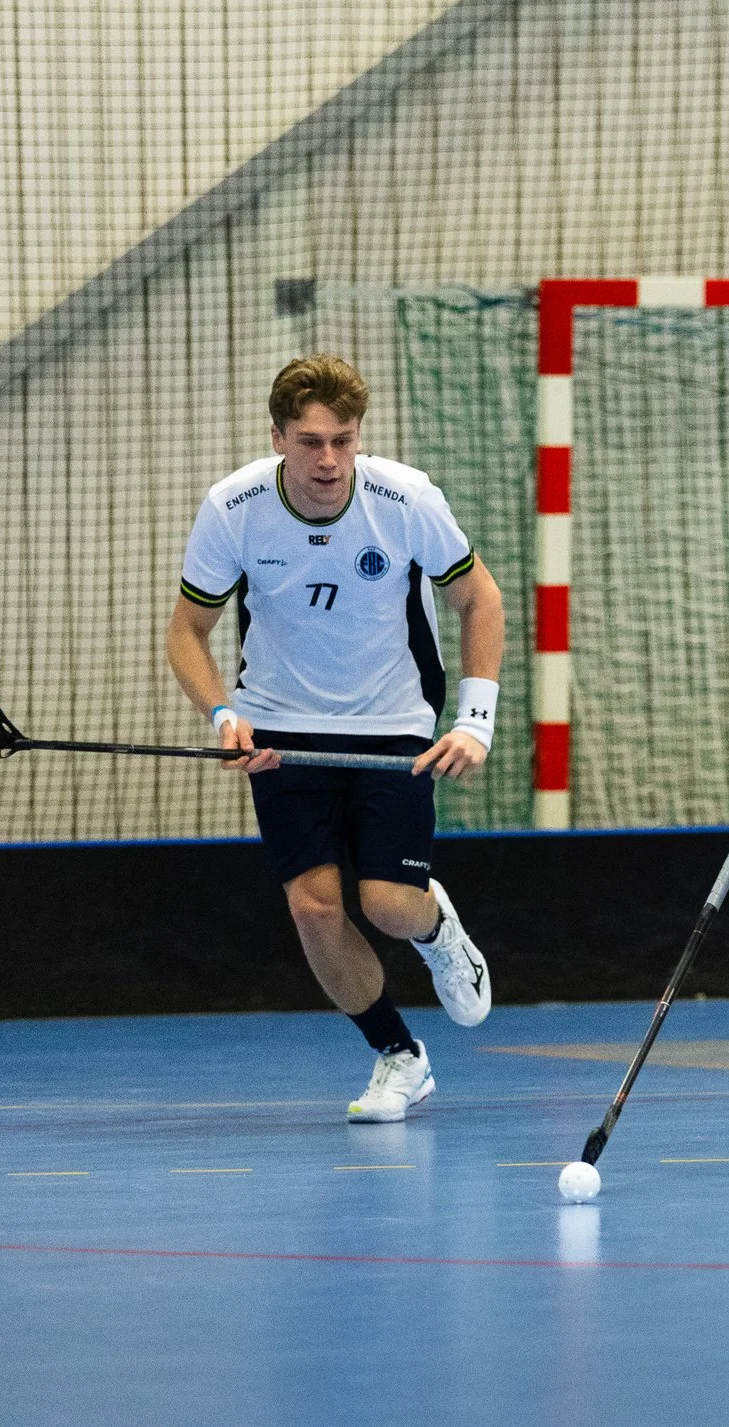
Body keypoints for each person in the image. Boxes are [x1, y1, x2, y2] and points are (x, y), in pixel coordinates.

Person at [166, 354, 507, 1123]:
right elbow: (188, 630)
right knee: (316, 908)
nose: (328, 460)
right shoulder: (234, 507)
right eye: (311, 440)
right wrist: (222, 714)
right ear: (279, 436)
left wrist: (474, 720)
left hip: (392, 720)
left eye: (343, 441)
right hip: (279, 724)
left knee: (387, 904)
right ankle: (398, 1054)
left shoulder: (405, 498)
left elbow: (478, 598)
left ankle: (435, 923)